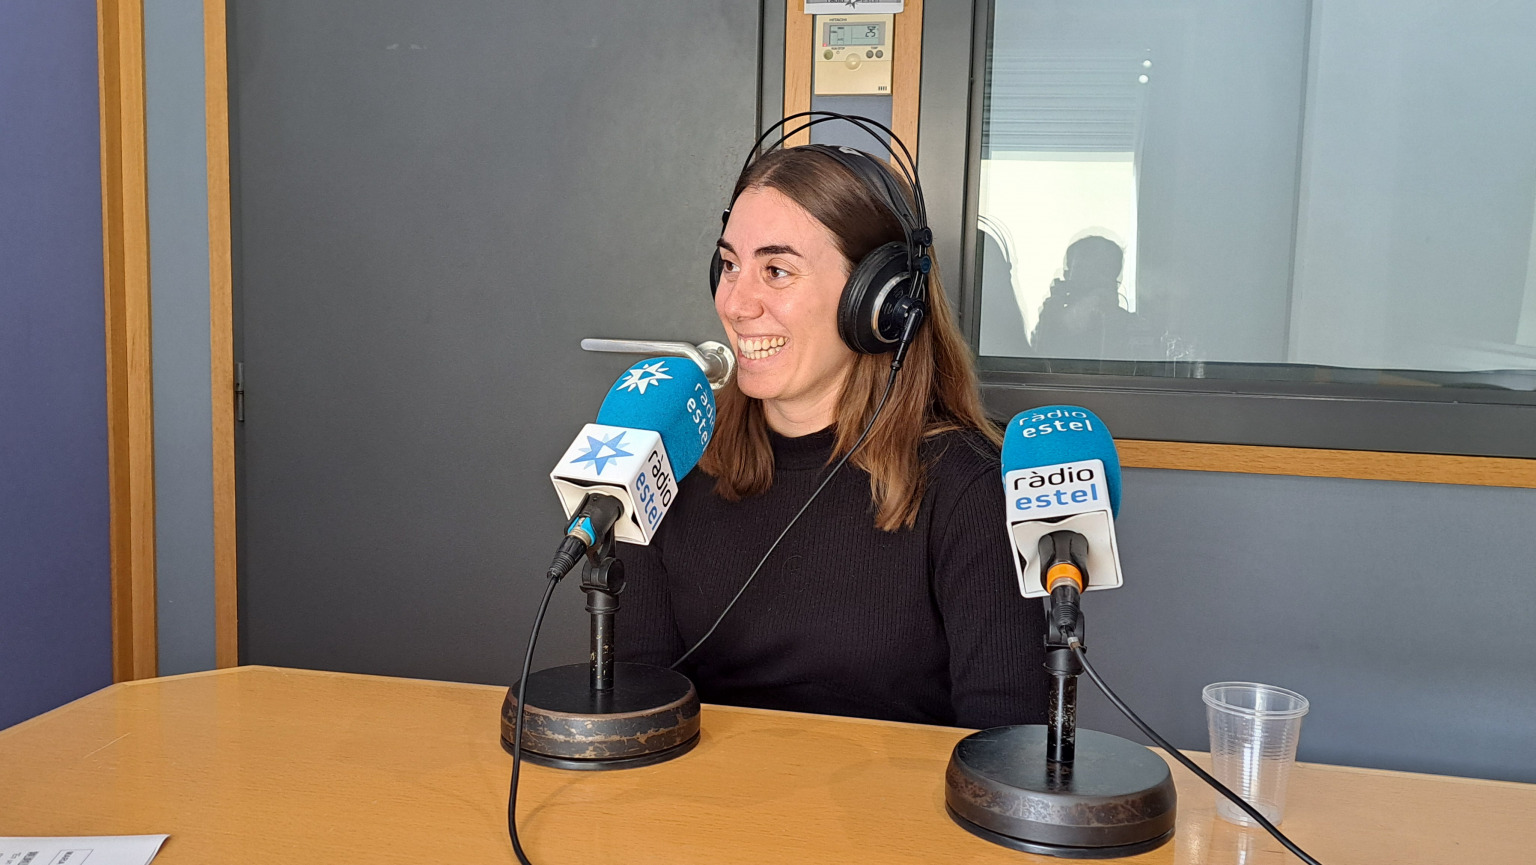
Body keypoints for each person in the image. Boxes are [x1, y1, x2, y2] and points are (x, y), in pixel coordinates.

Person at [615, 139, 1047, 730]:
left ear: (880, 302)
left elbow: (1007, 746)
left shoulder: (970, 488)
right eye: (730, 265)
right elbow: (637, 702)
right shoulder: (670, 455)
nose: (736, 304)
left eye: (777, 270)